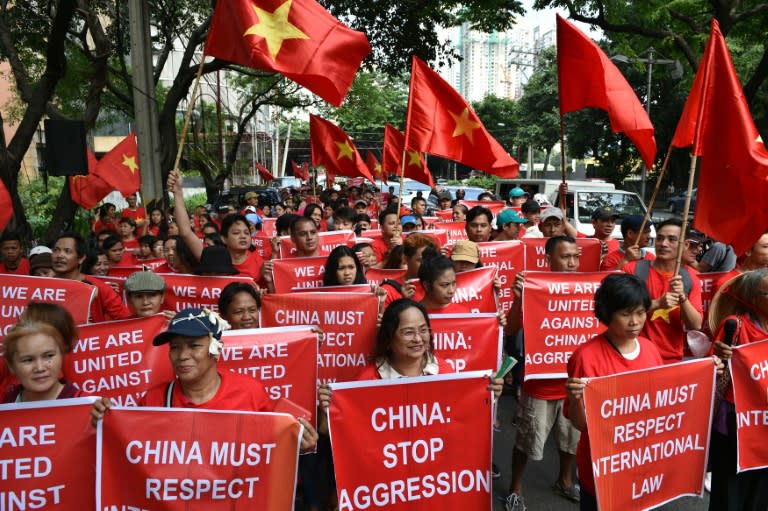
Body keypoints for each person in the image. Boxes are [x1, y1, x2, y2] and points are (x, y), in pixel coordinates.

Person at [91, 307, 318, 450]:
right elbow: (134, 454)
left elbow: (271, 449)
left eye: (194, 346)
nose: (182, 356)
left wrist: (297, 446)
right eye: (175, 347)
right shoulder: (154, 400)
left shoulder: (250, 392)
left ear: (214, 350)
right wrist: (107, 423)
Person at [565, 274, 665, 510]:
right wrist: (575, 398)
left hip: (643, 465)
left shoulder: (651, 350)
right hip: (602, 466)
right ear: (607, 314)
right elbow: (580, 424)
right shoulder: (586, 357)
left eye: (640, 313)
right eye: (625, 314)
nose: (635, 322)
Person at [504, 235, 582, 511]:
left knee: (571, 440)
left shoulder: (587, 290)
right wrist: (517, 299)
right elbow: (511, 330)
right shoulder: (533, 287)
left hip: (574, 384)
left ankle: (565, 481)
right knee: (527, 440)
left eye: (576, 256)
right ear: (549, 259)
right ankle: (515, 487)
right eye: (565, 257)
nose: (572, 263)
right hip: (539, 385)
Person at [707, 269, 768, 510]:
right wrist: (720, 361)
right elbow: (713, 370)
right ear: (753, 297)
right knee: (730, 491)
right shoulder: (734, 326)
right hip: (737, 423)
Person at [622, 218, 703, 363]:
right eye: (660, 238)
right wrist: (657, 304)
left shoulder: (690, 278)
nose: (663, 244)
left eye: (671, 239)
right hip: (635, 357)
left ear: (685, 245)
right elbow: (619, 312)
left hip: (672, 360)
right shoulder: (633, 270)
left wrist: (683, 299)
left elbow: (695, 325)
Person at [52, 232, 131, 322]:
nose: (59, 255)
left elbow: (127, 321)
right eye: (56, 250)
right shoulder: (42, 288)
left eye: (67, 251)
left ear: (81, 258)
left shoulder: (100, 288)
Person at [2, 320, 83, 402]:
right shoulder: (5, 402)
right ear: (11, 365)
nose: (40, 368)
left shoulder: (87, 407)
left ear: (61, 356)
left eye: (49, 356)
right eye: (28, 360)